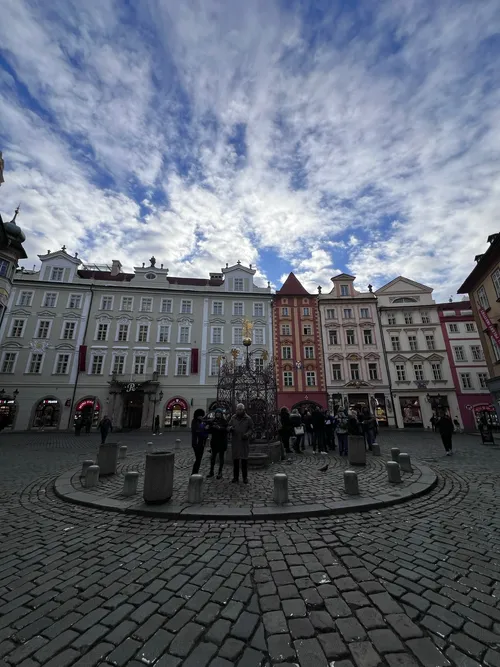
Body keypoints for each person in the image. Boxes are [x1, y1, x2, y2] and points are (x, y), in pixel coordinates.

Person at [228, 404, 254, 483]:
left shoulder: (248, 418)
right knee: (235, 461)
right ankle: (235, 477)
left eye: (240, 410)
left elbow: (251, 429)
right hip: (235, 442)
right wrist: (230, 429)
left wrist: (247, 434)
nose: (238, 411)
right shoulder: (233, 418)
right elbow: (228, 426)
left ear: (243, 410)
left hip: (243, 442)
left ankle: (244, 477)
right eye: (237, 409)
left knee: (244, 461)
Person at [208, 408, 228, 479]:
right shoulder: (213, 421)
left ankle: (220, 472)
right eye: (217, 413)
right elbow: (210, 431)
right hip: (214, 442)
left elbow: (226, 430)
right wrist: (208, 428)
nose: (218, 414)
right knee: (213, 458)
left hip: (222, 442)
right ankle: (211, 471)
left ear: (221, 414)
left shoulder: (224, 421)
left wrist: (219, 428)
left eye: (219, 413)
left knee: (221, 457)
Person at [191, 409, 208, 475]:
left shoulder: (201, 422)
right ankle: (194, 472)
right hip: (196, 443)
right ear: (198, 416)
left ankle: (195, 472)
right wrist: (204, 428)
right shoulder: (195, 421)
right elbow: (197, 431)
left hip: (201, 443)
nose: (202, 417)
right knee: (198, 458)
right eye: (201, 416)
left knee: (199, 459)